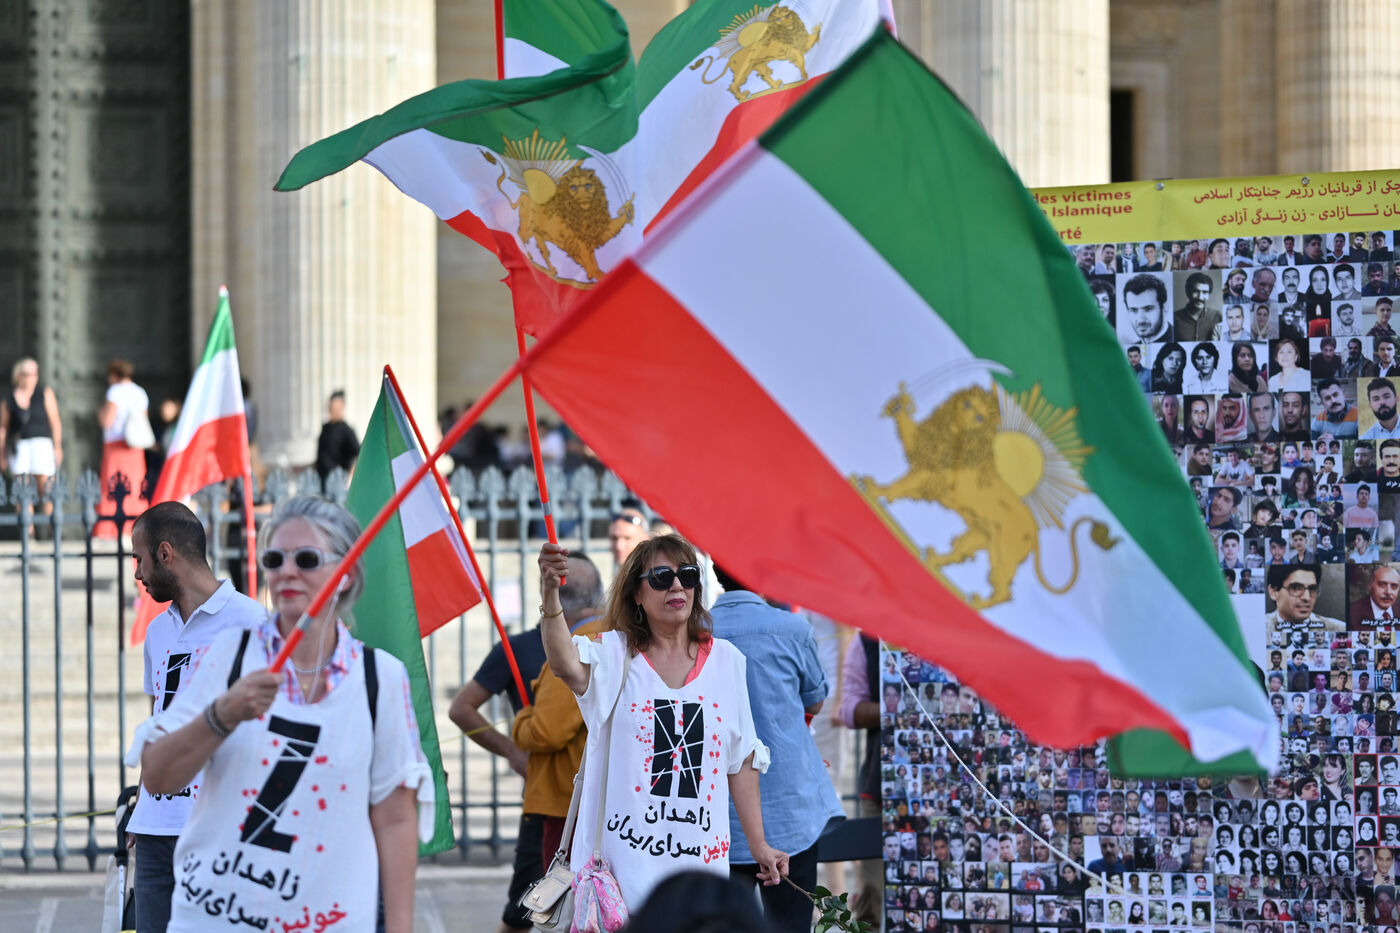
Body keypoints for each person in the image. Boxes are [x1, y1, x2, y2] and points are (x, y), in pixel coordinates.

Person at [129, 495, 431, 933]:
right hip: (222, 916)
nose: (287, 571)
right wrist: (222, 715)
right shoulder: (230, 655)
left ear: (345, 574)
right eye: (274, 559)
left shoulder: (380, 679)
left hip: (327, 918)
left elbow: (396, 818)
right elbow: (158, 775)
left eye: (306, 559)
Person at [536, 536, 786, 910]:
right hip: (621, 876)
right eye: (661, 577)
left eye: (688, 575)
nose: (677, 586)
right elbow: (563, 663)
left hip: (700, 867)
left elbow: (742, 760)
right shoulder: (613, 654)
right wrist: (550, 593)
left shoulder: (727, 661)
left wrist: (758, 844)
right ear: (636, 593)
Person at [124, 502, 267, 933]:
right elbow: (159, 718)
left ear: (165, 553)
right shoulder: (157, 631)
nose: (138, 574)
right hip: (154, 832)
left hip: (218, 828)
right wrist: (141, 805)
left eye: (140, 559)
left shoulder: (252, 621)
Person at [449, 553, 603, 933]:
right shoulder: (517, 647)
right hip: (550, 800)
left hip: (595, 801)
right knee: (527, 909)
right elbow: (461, 709)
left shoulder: (604, 641)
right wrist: (513, 751)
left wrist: (524, 724)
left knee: (589, 910)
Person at [709, 564, 843, 932]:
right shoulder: (792, 629)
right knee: (790, 924)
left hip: (719, 814)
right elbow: (815, 699)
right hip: (788, 807)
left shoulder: (694, 630)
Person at [510, 551, 607, 870]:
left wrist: (522, 719)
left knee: (570, 898)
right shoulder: (614, 636)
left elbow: (545, 732)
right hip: (602, 802)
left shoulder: (579, 645)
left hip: (572, 807)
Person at [838, 631, 882, 929]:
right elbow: (849, 709)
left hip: (944, 795)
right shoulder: (869, 639)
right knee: (872, 892)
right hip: (879, 787)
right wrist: (899, 711)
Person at [0, 357, 63, 519]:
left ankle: (51, 527)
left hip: (42, 444)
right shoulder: (9, 399)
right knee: (23, 490)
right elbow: (3, 428)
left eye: (35, 374)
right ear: (19, 376)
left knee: (47, 488)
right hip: (20, 447)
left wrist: (57, 446)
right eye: (28, 374)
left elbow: (55, 421)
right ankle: (28, 529)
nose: (32, 378)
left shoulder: (44, 394)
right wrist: (2, 454)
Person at [97, 358, 150, 538]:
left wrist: (100, 413)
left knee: (112, 486)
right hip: (135, 447)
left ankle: (110, 530)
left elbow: (107, 420)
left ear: (113, 375)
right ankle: (135, 527)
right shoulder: (140, 392)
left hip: (116, 446)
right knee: (135, 486)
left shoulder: (115, 392)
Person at [1265, 564, 1344, 643]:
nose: (1307, 598)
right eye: (1295, 588)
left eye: (1312, 588)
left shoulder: (1339, 628)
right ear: (1273, 592)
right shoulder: (1260, 627)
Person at [314, 390, 360, 485]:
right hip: (321, 480)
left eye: (336, 408)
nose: (333, 410)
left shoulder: (346, 430)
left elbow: (358, 454)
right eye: (331, 407)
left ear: (342, 408)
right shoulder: (325, 428)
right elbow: (322, 457)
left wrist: (350, 477)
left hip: (338, 482)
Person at [1119, 273, 1170, 344]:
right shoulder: (1134, 345)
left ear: (1164, 308)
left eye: (1148, 309)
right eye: (1134, 310)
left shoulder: (1180, 336)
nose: (1141, 320)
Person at [1175, 272, 1221, 341]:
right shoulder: (1175, 318)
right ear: (1188, 292)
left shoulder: (1217, 316)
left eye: (1205, 292)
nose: (1200, 297)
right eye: (1196, 291)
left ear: (1209, 295)